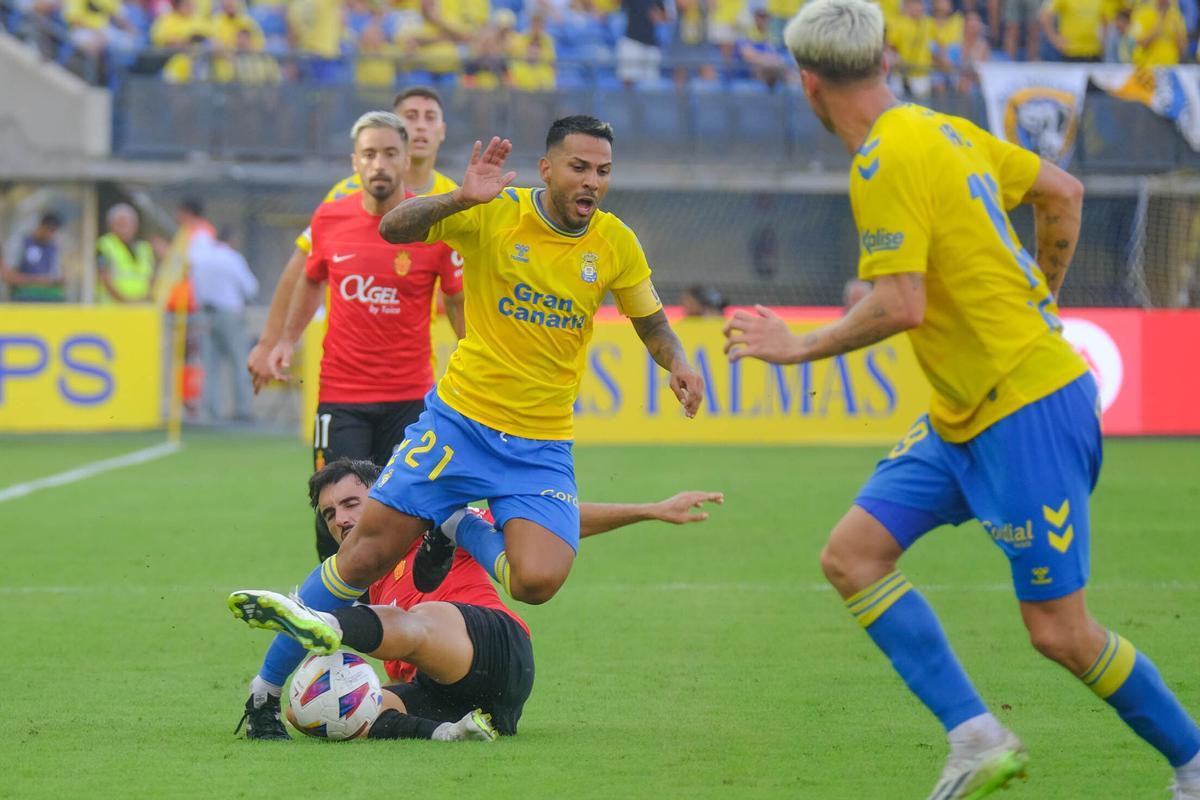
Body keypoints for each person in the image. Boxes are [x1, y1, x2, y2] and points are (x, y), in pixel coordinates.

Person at [721, 1, 1200, 798]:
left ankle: (1193, 762)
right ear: (883, 62)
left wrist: (798, 345)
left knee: (1059, 631)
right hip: (962, 411)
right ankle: (977, 738)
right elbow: (1063, 193)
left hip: (1028, 406)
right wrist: (1042, 294)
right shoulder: (944, 129)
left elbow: (900, 302)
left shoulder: (881, 160)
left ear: (808, 84)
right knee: (853, 556)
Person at [227, 115, 704, 711]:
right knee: (363, 556)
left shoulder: (615, 242)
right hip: (459, 426)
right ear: (547, 168)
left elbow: (651, 321)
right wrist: (458, 198)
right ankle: (264, 692)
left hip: (540, 444)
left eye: (603, 171)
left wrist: (677, 361)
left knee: (536, 581)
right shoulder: (494, 210)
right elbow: (394, 227)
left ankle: (458, 522)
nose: (592, 182)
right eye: (579, 168)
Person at [232, 458, 724, 741]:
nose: (340, 518)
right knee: (331, 709)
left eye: (351, 503)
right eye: (329, 513)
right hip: (452, 695)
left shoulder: (440, 523)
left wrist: (650, 509)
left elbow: (549, 527)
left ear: (382, 498)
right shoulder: (365, 578)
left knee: (418, 619)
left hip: (498, 649)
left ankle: (329, 625)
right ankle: (448, 733)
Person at [265, 110, 465, 512]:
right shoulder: (329, 218)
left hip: (410, 399)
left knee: (404, 515)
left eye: (390, 153)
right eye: (370, 154)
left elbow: (457, 299)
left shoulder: (434, 224)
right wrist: (286, 339)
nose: (379, 164)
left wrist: (474, 356)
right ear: (354, 162)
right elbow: (310, 278)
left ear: (406, 160)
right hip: (341, 397)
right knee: (336, 512)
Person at [190, 228, 259, 422]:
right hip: (229, 312)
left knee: (210, 364)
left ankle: (212, 412)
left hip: (205, 313)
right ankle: (242, 410)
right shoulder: (232, 258)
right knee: (240, 361)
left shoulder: (202, 258)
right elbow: (251, 287)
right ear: (232, 240)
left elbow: (195, 286)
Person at [96, 204, 156, 304]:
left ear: (135, 226)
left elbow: (151, 278)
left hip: (141, 307)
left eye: (127, 224)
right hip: (113, 308)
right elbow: (104, 277)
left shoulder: (144, 248)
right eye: (120, 224)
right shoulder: (104, 245)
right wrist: (125, 301)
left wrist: (144, 299)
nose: (124, 228)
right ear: (111, 226)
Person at [1, 212, 64, 302]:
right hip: (21, 298)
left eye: (54, 231)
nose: (52, 234)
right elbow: (8, 277)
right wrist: (38, 281)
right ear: (42, 226)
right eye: (50, 230)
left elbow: (55, 277)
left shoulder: (53, 248)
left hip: (47, 298)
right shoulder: (21, 243)